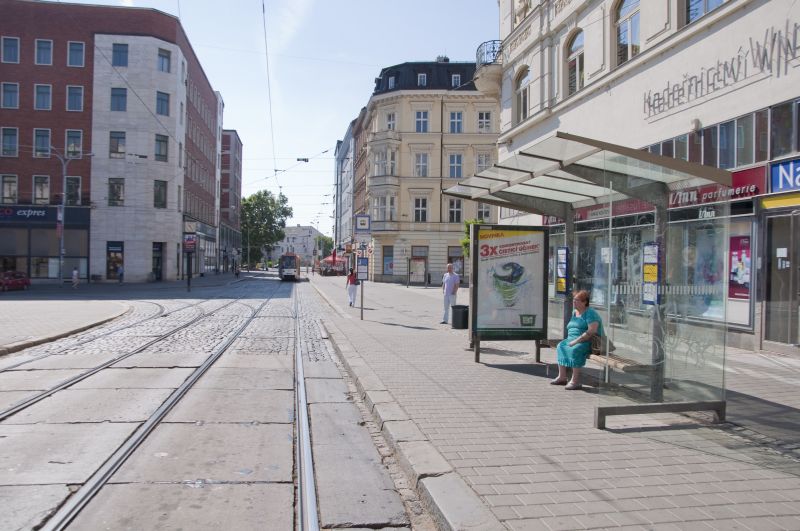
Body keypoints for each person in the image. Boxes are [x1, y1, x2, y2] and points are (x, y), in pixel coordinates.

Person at [553, 290, 604, 390]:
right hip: (572, 339)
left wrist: (575, 341)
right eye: (574, 300)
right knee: (560, 346)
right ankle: (562, 377)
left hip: (588, 341)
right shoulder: (574, 312)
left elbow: (591, 332)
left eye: (577, 300)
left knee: (575, 349)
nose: (574, 302)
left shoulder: (590, 313)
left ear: (585, 302)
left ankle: (575, 381)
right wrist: (571, 341)